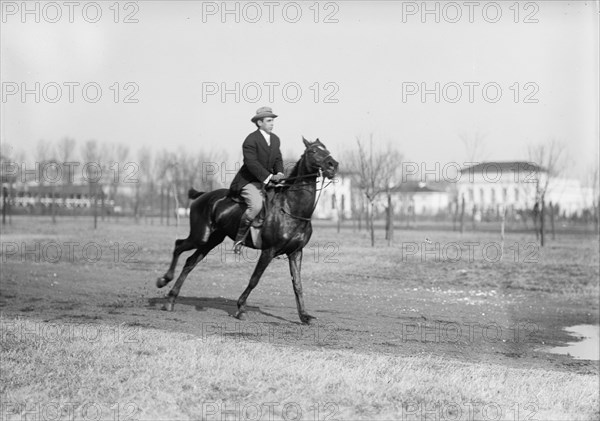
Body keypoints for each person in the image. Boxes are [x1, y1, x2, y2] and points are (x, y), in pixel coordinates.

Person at [229, 106, 285, 253]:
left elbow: (278, 158)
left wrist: (279, 172)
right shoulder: (250, 140)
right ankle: (239, 239)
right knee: (256, 206)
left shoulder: (275, 139)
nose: (272, 123)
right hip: (248, 181)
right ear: (259, 123)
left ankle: (273, 242)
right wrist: (269, 177)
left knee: (279, 205)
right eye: (269, 120)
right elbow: (251, 163)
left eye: (273, 120)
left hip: (267, 182)